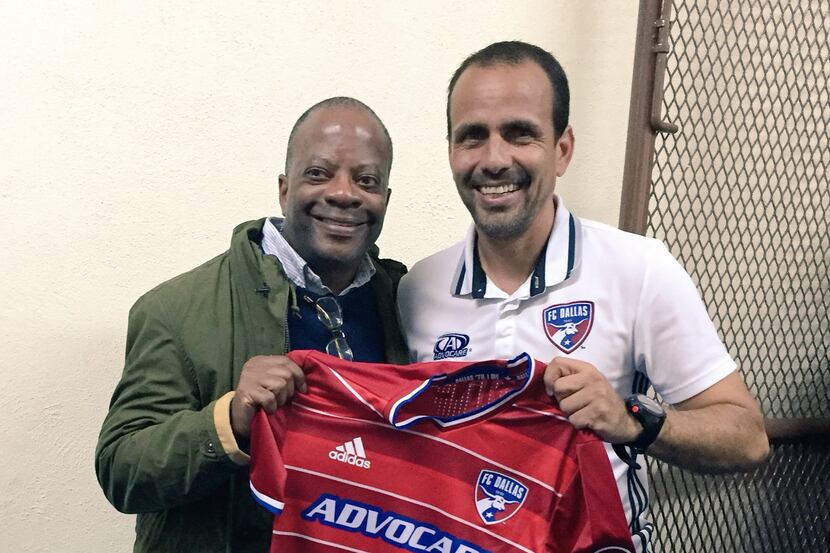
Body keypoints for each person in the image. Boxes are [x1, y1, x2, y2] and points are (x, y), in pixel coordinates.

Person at [397, 41, 769, 552]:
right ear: (452, 153)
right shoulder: (418, 288)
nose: (494, 158)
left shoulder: (638, 268)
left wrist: (630, 419)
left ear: (563, 149)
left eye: (520, 133)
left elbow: (747, 437)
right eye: (472, 137)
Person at [95, 96, 409, 553]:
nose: (344, 193)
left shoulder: (405, 303)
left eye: (367, 180)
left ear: (385, 199)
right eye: (318, 173)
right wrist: (230, 420)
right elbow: (121, 471)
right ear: (284, 188)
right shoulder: (175, 310)